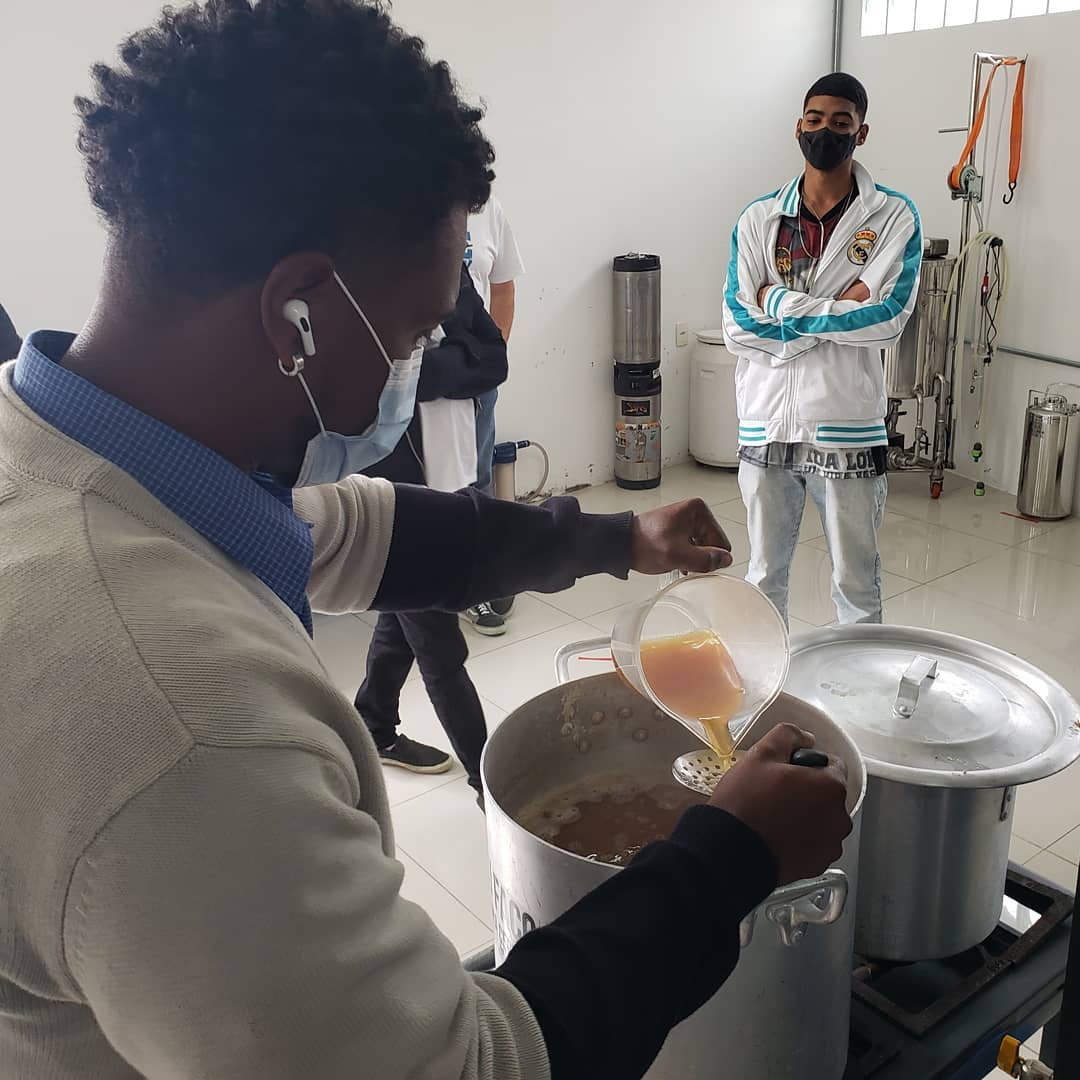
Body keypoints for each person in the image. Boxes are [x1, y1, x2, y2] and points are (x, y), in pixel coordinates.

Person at [0, 4, 852, 1079]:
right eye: (412, 335)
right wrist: (731, 856)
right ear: (297, 313)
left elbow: (360, 531)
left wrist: (619, 538)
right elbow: (465, 1066)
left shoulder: (77, 460)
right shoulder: (187, 733)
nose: (410, 372)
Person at [722, 72, 921, 625]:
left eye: (840, 122)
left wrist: (776, 299)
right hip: (767, 423)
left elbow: (886, 319)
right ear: (798, 127)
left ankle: (859, 684)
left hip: (845, 425)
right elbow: (738, 325)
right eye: (815, 120)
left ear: (861, 133)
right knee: (763, 578)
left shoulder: (892, 216)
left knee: (855, 582)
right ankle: (769, 677)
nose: (825, 131)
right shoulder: (759, 218)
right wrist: (839, 306)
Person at [355, 264, 507, 795]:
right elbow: (372, 377)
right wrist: (454, 359)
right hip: (392, 494)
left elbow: (494, 359)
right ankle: (489, 787)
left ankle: (373, 723)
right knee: (441, 648)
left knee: (403, 616)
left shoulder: (447, 268)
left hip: (453, 480)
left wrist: (424, 365)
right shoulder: (355, 276)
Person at [463, 194, 525, 636]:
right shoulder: (397, 197)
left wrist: (492, 355)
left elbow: (502, 287)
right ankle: (425, 587)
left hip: (472, 374)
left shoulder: (487, 209)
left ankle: (478, 578)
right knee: (417, 486)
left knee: (477, 476)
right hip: (414, 374)